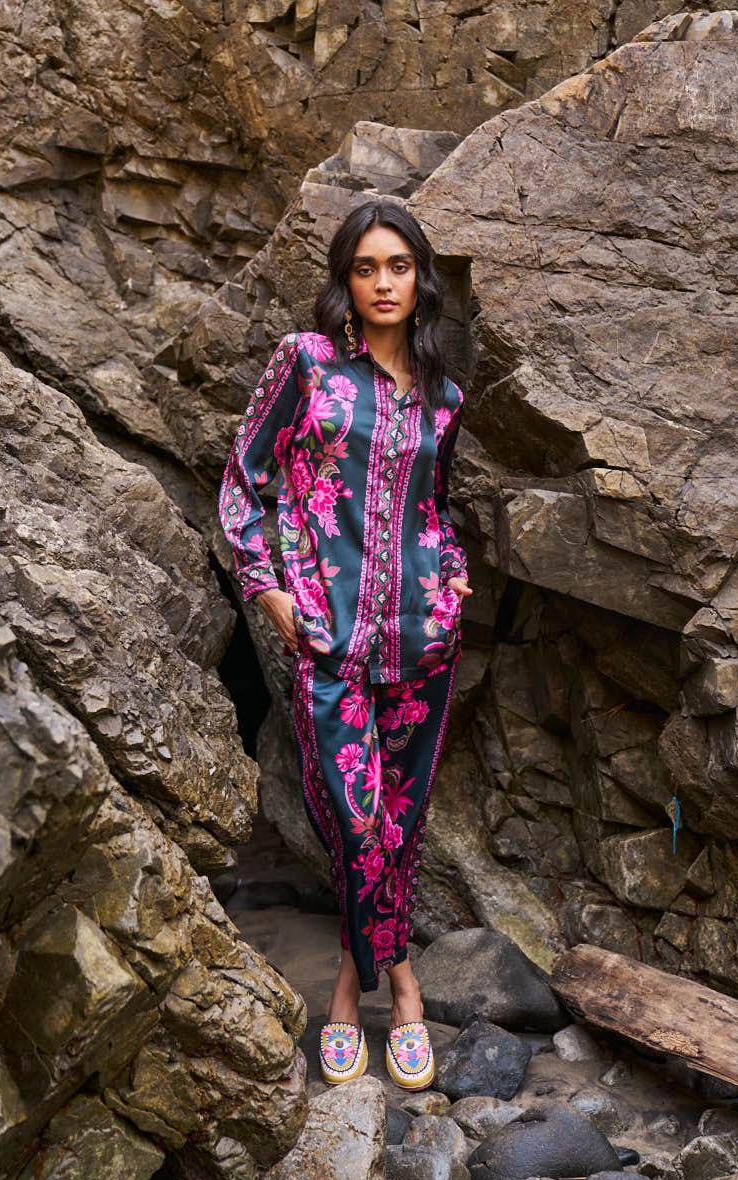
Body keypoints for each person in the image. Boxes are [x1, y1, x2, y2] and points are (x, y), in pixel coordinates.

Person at [218, 198, 472, 1090]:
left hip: (421, 644)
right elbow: (242, 480)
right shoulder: (308, 362)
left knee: (397, 828)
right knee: (357, 822)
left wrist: (453, 575)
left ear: (420, 277)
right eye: (366, 268)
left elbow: (435, 510)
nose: (383, 283)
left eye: (398, 266)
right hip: (328, 641)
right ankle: (401, 987)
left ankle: (343, 994)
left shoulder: (444, 396)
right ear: (345, 280)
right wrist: (266, 586)